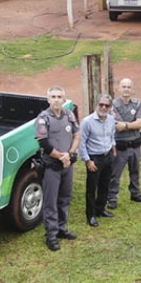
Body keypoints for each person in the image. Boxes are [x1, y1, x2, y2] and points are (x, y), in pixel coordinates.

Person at [35, 86, 80, 251]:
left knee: (65, 198)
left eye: (59, 96)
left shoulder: (69, 114)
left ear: (64, 99)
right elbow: (43, 143)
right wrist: (61, 157)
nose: (56, 99)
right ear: (48, 100)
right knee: (50, 202)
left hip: (67, 165)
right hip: (52, 166)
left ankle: (62, 229)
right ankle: (51, 235)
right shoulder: (43, 118)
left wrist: (70, 153)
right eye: (53, 96)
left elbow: (76, 135)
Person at [108, 78, 141, 209]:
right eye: (124, 86)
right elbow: (117, 125)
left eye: (129, 87)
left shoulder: (138, 103)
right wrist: (133, 124)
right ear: (118, 89)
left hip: (135, 145)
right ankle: (112, 197)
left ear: (132, 89)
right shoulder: (113, 105)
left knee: (135, 171)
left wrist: (126, 125)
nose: (126, 89)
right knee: (115, 174)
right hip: (120, 146)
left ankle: (135, 193)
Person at [78, 93, 117, 227]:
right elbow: (82, 143)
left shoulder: (111, 119)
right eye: (101, 104)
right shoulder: (87, 122)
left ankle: (100, 209)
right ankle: (91, 215)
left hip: (108, 156)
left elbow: (112, 135)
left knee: (105, 185)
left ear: (110, 107)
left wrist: (113, 150)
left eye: (107, 105)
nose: (104, 107)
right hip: (94, 158)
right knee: (92, 187)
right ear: (96, 105)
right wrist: (88, 161)